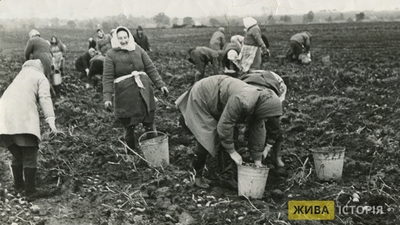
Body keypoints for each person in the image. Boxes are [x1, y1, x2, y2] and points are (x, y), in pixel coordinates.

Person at [175, 75, 283, 189]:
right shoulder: (242, 100)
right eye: (266, 117)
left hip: (221, 100)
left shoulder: (260, 105)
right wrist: (232, 152)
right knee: (207, 137)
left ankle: (226, 177)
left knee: (231, 135)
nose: (266, 120)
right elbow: (225, 125)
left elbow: (257, 131)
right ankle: (197, 177)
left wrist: (257, 161)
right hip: (204, 95)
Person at [0, 60, 60, 201]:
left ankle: (18, 186)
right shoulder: (40, 77)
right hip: (22, 118)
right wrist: (51, 121)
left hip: (2, 121)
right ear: (41, 67)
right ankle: (30, 191)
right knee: (29, 154)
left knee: (17, 154)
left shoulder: (19, 77)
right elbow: (45, 98)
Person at [103, 26, 169, 150]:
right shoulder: (111, 54)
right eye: (120, 38)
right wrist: (107, 97)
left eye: (125, 37)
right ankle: (131, 153)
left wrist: (160, 85)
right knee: (129, 127)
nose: (123, 40)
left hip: (143, 91)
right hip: (125, 95)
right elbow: (107, 77)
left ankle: (153, 152)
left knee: (149, 124)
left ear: (129, 37)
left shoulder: (137, 49)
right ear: (116, 39)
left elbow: (150, 67)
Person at [240, 70, 287, 167]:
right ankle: (253, 152)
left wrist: (267, 148)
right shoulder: (243, 94)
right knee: (255, 122)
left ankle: (277, 156)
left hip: (274, 82)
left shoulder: (273, 97)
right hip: (251, 79)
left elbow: (275, 127)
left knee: (273, 122)